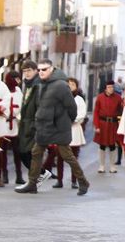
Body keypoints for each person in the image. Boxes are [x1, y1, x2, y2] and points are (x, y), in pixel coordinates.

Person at [16, 60, 89, 196]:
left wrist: (67, 121)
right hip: (43, 126)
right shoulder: (40, 85)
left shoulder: (61, 85)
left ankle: (83, 181)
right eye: (40, 70)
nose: (41, 72)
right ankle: (33, 183)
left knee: (67, 156)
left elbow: (71, 107)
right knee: (36, 153)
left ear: (51, 69)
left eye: (44, 69)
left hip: (59, 127)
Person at [56, 77, 88, 188]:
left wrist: (71, 120)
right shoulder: (60, 98)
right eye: (68, 84)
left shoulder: (79, 99)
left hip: (74, 130)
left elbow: (81, 114)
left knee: (73, 157)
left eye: (72, 84)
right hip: (62, 130)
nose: (70, 86)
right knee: (60, 156)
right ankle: (59, 180)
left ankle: (74, 180)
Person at [13, 64, 40, 186]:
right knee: (24, 152)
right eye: (24, 71)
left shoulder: (38, 85)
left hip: (34, 124)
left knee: (29, 153)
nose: (27, 73)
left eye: (29, 71)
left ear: (35, 71)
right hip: (25, 123)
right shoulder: (27, 85)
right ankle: (37, 177)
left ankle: (35, 179)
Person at [93, 81, 123, 174]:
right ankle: (101, 166)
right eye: (109, 87)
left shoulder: (118, 98)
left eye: (112, 87)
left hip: (113, 124)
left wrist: (120, 125)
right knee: (102, 145)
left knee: (112, 145)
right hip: (102, 123)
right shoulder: (100, 97)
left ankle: (112, 166)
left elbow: (121, 111)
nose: (111, 89)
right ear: (105, 88)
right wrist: (97, 125)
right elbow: (96, 112)